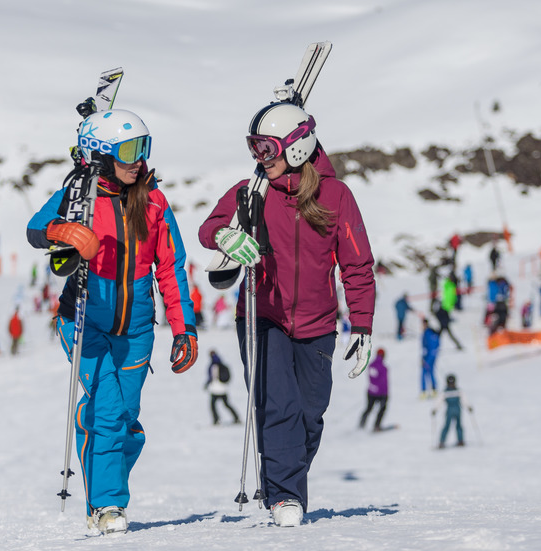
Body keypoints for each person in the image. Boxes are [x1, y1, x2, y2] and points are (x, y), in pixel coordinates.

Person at [198, 101, 376, 528]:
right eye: (254, 149)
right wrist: (226, 234)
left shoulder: (336, 196)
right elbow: (208, 229)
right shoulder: (250, 192)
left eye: (267, 148)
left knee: (310, 415)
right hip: (263, 315)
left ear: (296, 147)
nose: (260, 159)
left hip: (317, 325)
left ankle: (285, 476)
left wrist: (363, 326)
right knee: (278, 405)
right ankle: (284, 496)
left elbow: (356, 265)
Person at [26, 108, 198, 535]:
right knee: (107, 410)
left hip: (137, 330)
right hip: (85, 322)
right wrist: (64, 232)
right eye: (128, 151)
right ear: (101, 156)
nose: (139, 160)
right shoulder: (79, 195)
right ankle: (107, 506)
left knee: (127, 422)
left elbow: (171, 267)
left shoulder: (153, 199)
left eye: (144, 148)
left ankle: (102, 474)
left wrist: (184, 327)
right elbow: (36, 228)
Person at [432, 373, 472, 448]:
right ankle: (460, 441)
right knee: (458, 425)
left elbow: (439, 401)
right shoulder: (458, 391)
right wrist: (468, 407)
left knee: (448, 426)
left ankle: (442, 442)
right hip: (457, 410)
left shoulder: (446, 392)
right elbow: (464, 400)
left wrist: (435, 409)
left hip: (450, 410)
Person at [204, 350, 241, 425]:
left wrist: (207, 384)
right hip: (222, 389)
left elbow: (211, 377)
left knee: (213, 405)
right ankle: (236, 418)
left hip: (216, 389)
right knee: (226, 404)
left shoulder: (213, 365)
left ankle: (216, 420)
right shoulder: (221, 364)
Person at [358, 348, 389, 431]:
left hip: (371, 391)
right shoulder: (383, 368)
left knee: (368, 408)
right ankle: (377, 426)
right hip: (381, 393)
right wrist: (385, 394)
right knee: (382, 409)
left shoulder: (371, 365)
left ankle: (361, 424)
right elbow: (384, 382)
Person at [420, 318, 441, 398]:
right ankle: (433, 389)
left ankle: (424, 391)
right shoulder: (429, 332)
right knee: (431, 372)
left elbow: (431, 347)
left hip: (429, 357)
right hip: (429, 356)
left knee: (424, 372)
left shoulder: (428, 333)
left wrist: (428, 358)